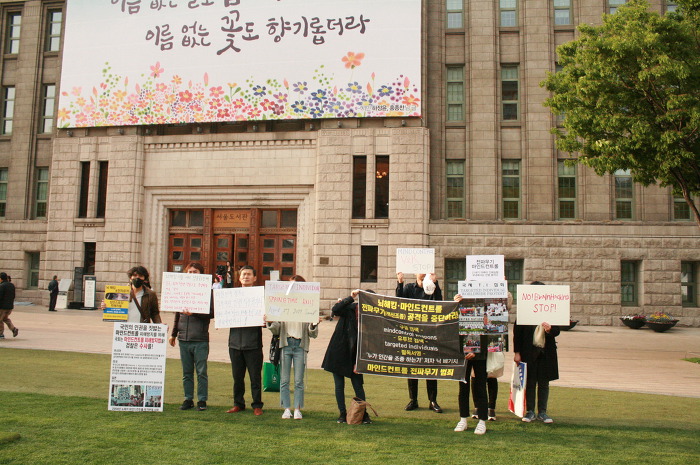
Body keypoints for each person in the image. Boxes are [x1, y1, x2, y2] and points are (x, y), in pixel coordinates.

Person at [265, 275, 320, 419]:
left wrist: (314, 324)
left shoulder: (308, 305)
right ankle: (286, 408)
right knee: (284, 380)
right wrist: (270, 321)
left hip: (300, 345)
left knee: (299, 381)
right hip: (286, 344)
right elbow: (276, 329)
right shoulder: (283, 304)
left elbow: (312, 333)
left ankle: (297, 408)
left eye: (296, 285)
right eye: (290, 285)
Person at [169, 262, 214, 412]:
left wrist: (194, 313)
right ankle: (188, 398)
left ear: (201, 274)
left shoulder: (207, 292)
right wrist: (173, 334)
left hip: (200, 338)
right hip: (183, 338)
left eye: (195, 272)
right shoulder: (181, 291)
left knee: (201, 372)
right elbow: (177, 315)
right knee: (186, 372)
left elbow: (211, 313)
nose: (192, 274)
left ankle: (202, 400)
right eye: (190, 272)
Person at [322, 288, 372, 424]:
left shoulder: (370, 318)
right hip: (339, 352)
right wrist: (350, 298)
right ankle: (342, 413)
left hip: (355, 356)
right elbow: (335, 310)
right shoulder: (349, 308)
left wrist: (359, 362)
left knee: (358, 386)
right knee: (339, 385)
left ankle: (363, 414)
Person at [513, 281, 561, 424]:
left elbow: (557, 331)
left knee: (544, 383)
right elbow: (517, 334)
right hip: (529, 351)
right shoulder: (524, 312)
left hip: (546, 352)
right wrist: (517, 352)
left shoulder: (551, 311)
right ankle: (530, 411)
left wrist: (550, 329)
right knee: (530, 382)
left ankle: (542, 412)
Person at [396, 271, 443, 413]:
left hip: (429, 334)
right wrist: (400, 283)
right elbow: (399, 302)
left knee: (430, 368)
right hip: (412, 334)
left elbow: (439, 302)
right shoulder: (409, 288)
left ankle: (433, 400)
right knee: (412, 368)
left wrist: (435, 283)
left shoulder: (432, 288)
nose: (423, 274)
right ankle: (413, 400)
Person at [227, 266, 265, 416]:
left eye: (249, 274)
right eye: (244, 274)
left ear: (254, 278)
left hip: (253, 343)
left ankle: (257, 405)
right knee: (237, 377)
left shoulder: (261, 296)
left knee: (255, 377)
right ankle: (238, 404)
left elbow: (268, 318)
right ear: (239, 277)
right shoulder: (231, 296)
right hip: (235, 343)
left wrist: (266, 320)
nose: (246, 277)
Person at [472, 289, 513, 421]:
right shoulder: (473, 287)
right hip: (475, 332)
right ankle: (477, 406)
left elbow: (508, 304)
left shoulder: (499, 289)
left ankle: (491, 407)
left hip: (494, 333)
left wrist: (503, 289)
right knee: (475, 374)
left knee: (492, 373)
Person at [453, 292, 488, 435]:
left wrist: (476, 351)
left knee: (480, 386)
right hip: (463, 353)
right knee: (463, 386)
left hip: (480, 354)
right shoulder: (459, 303)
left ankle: (482, 420)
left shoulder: (485, 305)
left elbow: (488, 331)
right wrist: (454, 305)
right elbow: (451, 325)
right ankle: (463, 419)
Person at [0, 272, 18, 339]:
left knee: (0, 320)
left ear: (1, 278)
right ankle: (13, 329)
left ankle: (0, 334)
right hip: (10, 306)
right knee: (5, 318)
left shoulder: (2, 286)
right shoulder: (11, 285)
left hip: (2, 307)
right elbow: (13, 296)